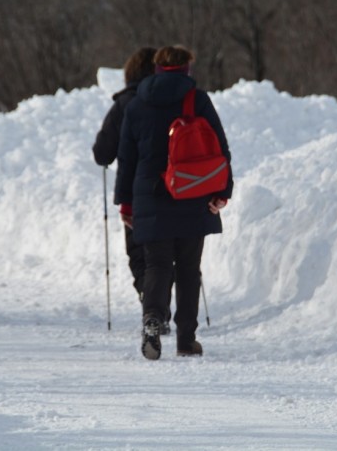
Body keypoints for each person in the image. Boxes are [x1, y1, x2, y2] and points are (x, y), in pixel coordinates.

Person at [114, 46, 233, 360]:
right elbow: (220, 149)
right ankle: (185, 340)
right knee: (189, 269)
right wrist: (223, 192)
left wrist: (125, 204)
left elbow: (126, 159)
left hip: (151, 197)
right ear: (186, 68)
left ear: (157, 68)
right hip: (193, 193)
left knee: (157, 264)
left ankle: (152, 318)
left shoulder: (137, 103)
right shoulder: (197, 100)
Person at [92, 47, 174, 335]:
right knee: (170, 252)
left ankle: (151, 305)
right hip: (178, 187)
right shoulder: (176, 99)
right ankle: (162, 306)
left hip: (138, 192)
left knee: (141, 254)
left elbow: (103, 153)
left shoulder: (124, 104)